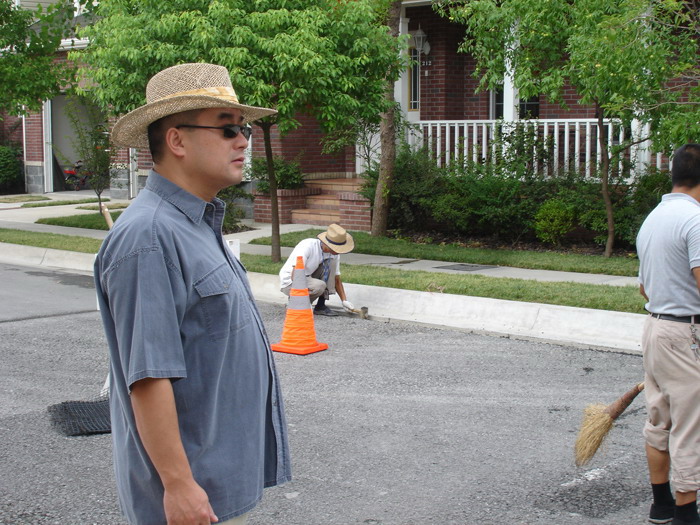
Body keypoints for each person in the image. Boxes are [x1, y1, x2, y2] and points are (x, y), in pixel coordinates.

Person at [94, 63, 291, 525]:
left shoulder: (194, 224)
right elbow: (148, 377)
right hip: (189, 500)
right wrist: (179, 486)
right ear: (177, 141)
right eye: (226, 130)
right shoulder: (148, 236)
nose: (243, 140)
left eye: (242, 128)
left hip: (216, 486)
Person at [636, 143, 700, 525]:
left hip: (655, 328)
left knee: (659, 419)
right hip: (684, 334)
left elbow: (644, 288)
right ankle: (686, 515)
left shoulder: (654, 218)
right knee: (692, 425)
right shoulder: (695, 220)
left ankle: (661, 506)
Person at [279, 223, 355, 316]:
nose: (338, 251)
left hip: (308, 277)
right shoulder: (307, 246)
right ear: (327, 244)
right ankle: (296, 304)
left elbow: (336, 279)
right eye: (337, 248)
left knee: (331, 263)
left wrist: (344, 300)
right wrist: (303, 302)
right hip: (290, 282)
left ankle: (320, 306)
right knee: (320, 285)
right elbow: (295, 276)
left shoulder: (334, 254)